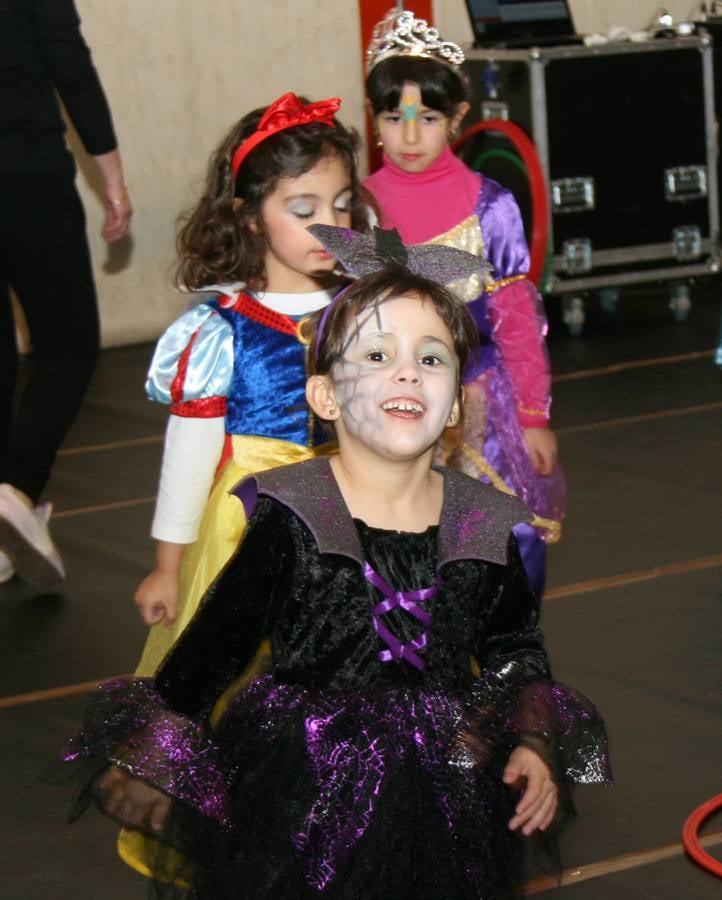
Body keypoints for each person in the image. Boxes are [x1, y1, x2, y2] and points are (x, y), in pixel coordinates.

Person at [60, 228, 610, 899]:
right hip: (304, 779)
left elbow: (515, 648)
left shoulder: (481, 521)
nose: (408, 371)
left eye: (431, 357)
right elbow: (218, 641)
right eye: (377, 354)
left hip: (447, 776)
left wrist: (532, 741)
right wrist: (160, 745)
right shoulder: (296, 512)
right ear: (325, 398)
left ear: (456, 405)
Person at [131, 92, 369, 681]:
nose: (330, 225)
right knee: (235, 669)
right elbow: (189, 456)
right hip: (251, 522)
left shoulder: (366, 311)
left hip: (359, 513)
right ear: (249, 217)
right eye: (304, 209)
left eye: (342, 206)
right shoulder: (222, 331)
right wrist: (168, 567)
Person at [363, 9, 565, 597]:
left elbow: (517, 317)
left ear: (456, 118)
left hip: (481, 399)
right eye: (393, 118)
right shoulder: (362, 208)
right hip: (393, 405)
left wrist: (533, 417)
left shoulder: (490, 205)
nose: (409, 137)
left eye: (427, 119)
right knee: (404, 543)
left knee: (503, 533)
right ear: (373, 119)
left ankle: (503, 641)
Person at [0, 0, 132, 589]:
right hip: (26, 173)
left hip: (25, 168)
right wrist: (112, 180)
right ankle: (16, 491)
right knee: (68, 346)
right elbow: (69, 64)